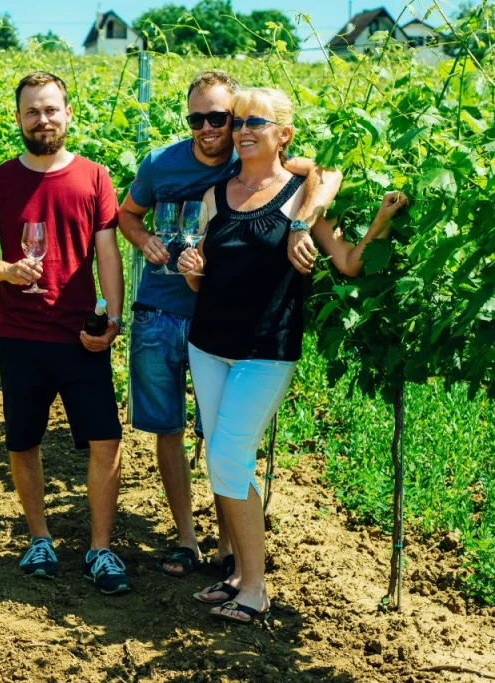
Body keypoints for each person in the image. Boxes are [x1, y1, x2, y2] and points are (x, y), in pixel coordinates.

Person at [177, 86, 409, 624]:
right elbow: (203, 276)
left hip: (267, 349)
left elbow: (349, 263)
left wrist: (381, 221)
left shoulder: (303, 200)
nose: (241, 131)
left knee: (227, 459)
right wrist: (193, 270)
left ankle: (255, 590)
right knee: (227, 459)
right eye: (237, 122)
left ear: (284, 134)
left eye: (254, 122)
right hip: (208, 345)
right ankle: (237, 574)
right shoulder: (218, 195)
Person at [117, 70, 341, 579]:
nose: (211, 127)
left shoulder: (257, 160)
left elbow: (323, 172)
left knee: (220, 441)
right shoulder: (161, 163)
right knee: (168, 428)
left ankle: (230, 549)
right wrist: (143, 239)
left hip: (223, 322)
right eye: (198, 118)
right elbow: (126, 214)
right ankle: (185, 538)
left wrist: (304, 222)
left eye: (222, 116)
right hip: (161, 310)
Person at [0, 71, 131, 595]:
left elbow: (108, 253)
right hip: (18, 333)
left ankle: (100, 550)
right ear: (18, 118)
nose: (43, 120)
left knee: (106, 440)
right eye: (32, 111)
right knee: (24, 438)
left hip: (79, 334)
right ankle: (39, 538)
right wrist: (7, 271)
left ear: (68, 114)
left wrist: (112, 319)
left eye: (51, 110)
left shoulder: (95, 178)